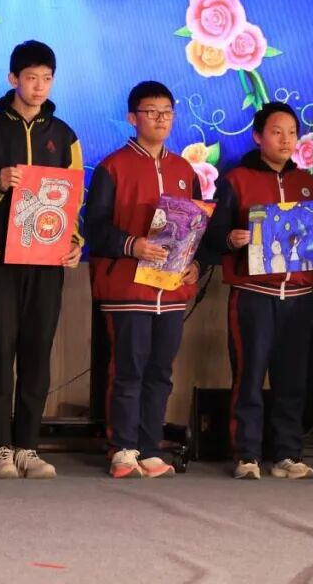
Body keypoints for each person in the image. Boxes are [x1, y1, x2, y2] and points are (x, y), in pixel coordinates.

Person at [203, 103, 313, 480]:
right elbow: (214, 234)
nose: (286, 140)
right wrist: (232, 238)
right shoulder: (236, 180)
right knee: (249, 376)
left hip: (298, 297)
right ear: (258, 137)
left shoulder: (308, 184)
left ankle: (287, 453)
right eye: (276, 132)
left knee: (292, 379)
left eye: (292, 132)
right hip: (253, 293)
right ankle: (247, 454)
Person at [0, 40, 82, 479]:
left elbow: (73, 197)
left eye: (46, 78)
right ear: (13, 78)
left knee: (37, 352)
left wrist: (74, 241)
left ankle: (28, 446)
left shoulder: (65, 135)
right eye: (31, 78)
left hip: (47, 260)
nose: (39, 86)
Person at [85, 80, 201, 480]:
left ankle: (151, 447)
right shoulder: (112, 167)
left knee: (160, 372)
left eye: (167, 112)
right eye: (152, 112)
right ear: (132, 118)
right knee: (128, 370)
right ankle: (122, 447)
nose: (161, 119)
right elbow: (95, 228)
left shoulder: (184, 170)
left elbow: (196, 228)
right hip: (127, 288)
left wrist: (196, 264)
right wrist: (132, 245)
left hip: (171, 289)